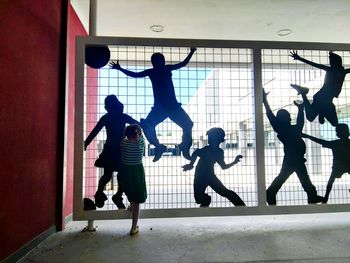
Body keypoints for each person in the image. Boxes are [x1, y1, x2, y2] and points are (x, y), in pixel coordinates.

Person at [110, 48, 197, 162]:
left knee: (187, 125)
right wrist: (120, 69)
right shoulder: (155, 71)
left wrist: (191, 52)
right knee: (147, 125)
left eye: (159, 60)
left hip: (170, 107)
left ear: (162, 61)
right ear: (155, 63)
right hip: (163, 108)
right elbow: (135, 75)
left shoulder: (162, 69)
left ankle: (183, 147)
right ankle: (160, 147)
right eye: (156, 61)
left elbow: (182, 64)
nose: (158, 63)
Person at [262, 88, 323, 205]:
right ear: (284, 119)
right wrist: (265, 101)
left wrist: (301, 109)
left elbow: (300, 123)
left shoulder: (290, 128)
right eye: (287, 115)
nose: (289, 117)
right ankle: (271, 192)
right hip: (293, 158)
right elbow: (270, 114)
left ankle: (311, 195)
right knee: (299, 178)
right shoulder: (281, 128)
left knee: (300, 178)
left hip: (295, 158)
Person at [84, 95, 138, 208]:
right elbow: (137, 124)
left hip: (109, 149)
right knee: (122, 174)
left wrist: (86, 143)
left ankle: (100, 193)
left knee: (107, 175)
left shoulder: (106, 117)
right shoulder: (122, 116)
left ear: (108, 106)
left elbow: (95, 131)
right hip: (120, 150)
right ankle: (117, 196)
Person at [182, 127, 245, 207]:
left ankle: (241, 206)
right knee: (200, 198)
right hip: (202, 176)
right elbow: (196, 153)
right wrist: (191, 164)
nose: (209, 139)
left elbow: (223, 166)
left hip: (207, 176)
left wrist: (234, 162)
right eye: (209, 137)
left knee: (223, 192)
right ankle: (241, 206)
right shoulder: (211, 150)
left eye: (211, 137)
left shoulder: (218, 152)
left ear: (220, 139)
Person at [290, 51, 350, 126]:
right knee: (331, 122)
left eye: (331, 61)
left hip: (321, 98)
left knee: (312, 117)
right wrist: (299, 58)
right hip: (324, 100)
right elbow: (314, 64)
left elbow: (314, 64)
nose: (330, 63)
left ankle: (304, 93)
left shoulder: (331, 70)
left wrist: (299, 58)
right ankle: (305, 95)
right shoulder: (342, 71)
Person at [302, 123, 350, 203]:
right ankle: (326, 197)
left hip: (338, 166)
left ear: (338, 134)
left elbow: (321, 141)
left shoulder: (335, 143)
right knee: (330, 181)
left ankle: (326, 197)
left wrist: (308, 136)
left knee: (331, 181)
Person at [120, 124, 147, 236]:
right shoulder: (140, 144)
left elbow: (123, 137)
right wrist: (140, 131)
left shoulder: (124, 144)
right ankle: (133, 227)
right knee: (137, 199)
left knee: (130, 190)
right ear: (138, 133)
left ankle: (131, 205)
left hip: (126, 172)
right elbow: (142, 138)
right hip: (137, 172)